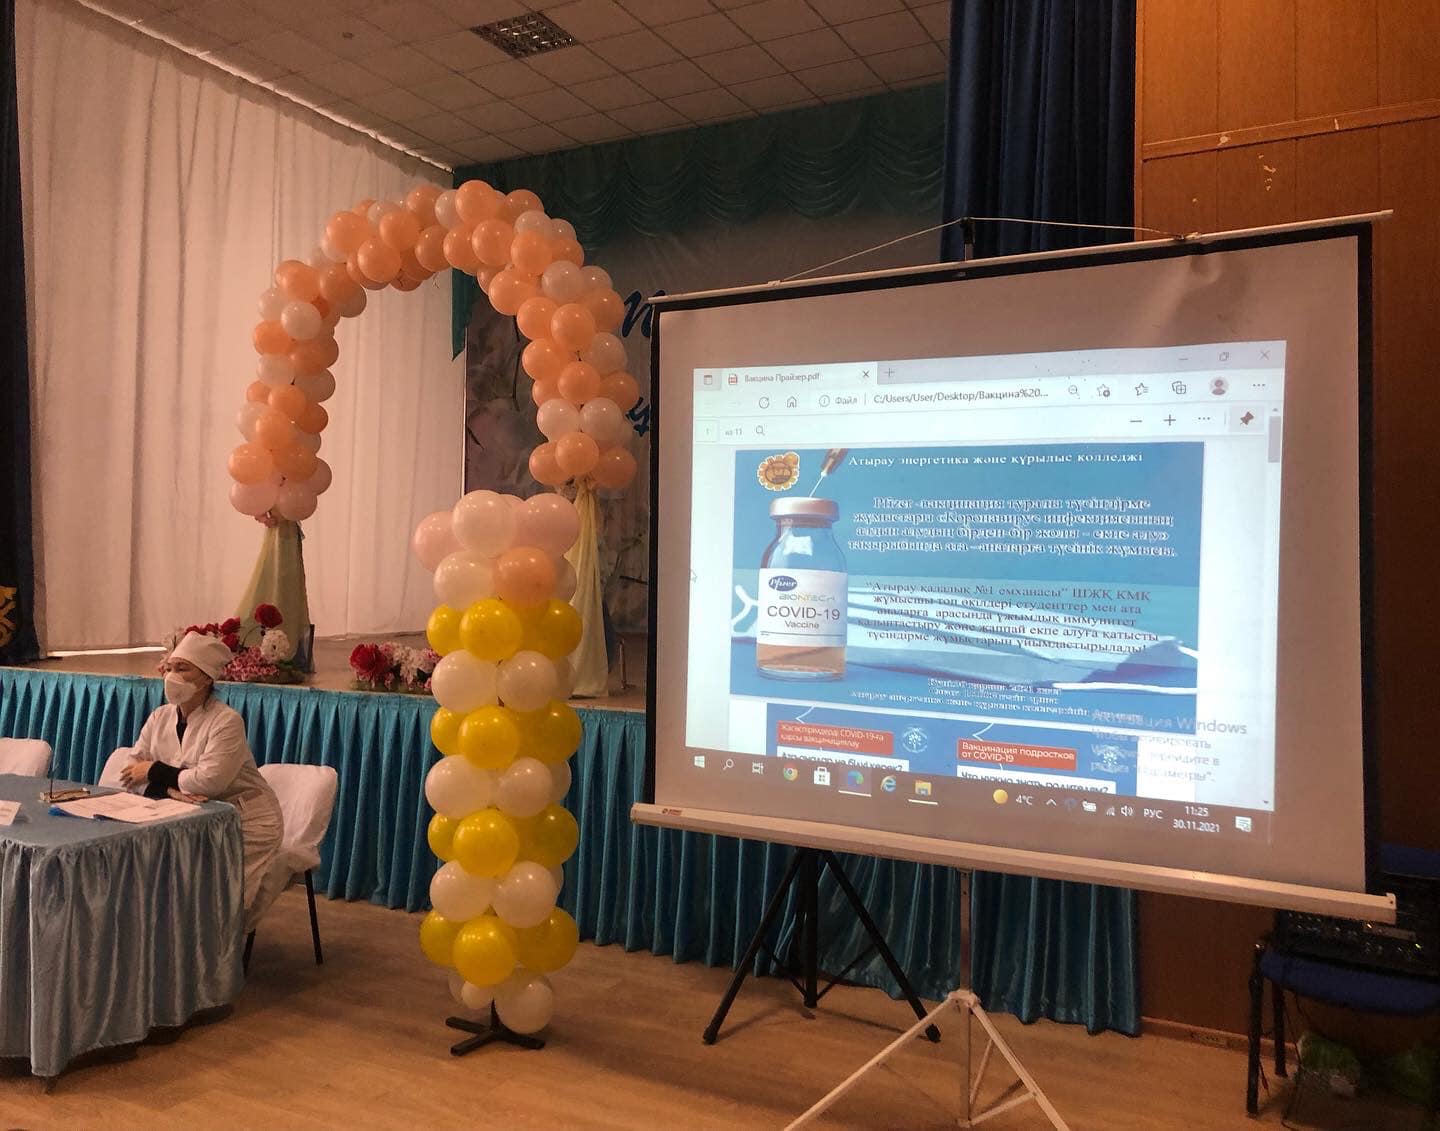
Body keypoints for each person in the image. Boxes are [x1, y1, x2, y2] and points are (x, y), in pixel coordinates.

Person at [118, 631, 284, 934]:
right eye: (169, 668)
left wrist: (154, 769)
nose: (172, 676)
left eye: (182, 669)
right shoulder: (159, 717)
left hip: (245, 819)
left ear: (206, 678)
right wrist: (170, 789)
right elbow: (130, 772)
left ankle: (213, 954)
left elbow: (208, 782)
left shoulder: (226, 721)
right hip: (189, 817)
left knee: (215, 899)